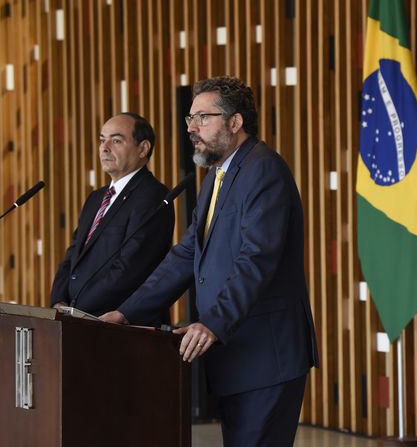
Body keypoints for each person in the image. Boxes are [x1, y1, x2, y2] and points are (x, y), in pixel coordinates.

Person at [101, 76, 319, 447]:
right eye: (190, 118)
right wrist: (126, 313)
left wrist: (211, 323)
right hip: (236, 355)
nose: (191, 127)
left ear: (235, 123)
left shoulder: (264, 170)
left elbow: (256, 260)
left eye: (203, 117)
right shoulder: (216, 176)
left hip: (267, 354)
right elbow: (186, 255)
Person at [50, 113, 174, 325]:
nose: (104, 148)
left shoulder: (153, 196)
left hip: (119, 326)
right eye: (101, 140)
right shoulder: (96, 198)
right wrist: (59, 301)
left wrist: (76, 309)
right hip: (79, 321)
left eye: (116, 140)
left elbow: (130, 268)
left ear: (143, 149)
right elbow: (73, 256)